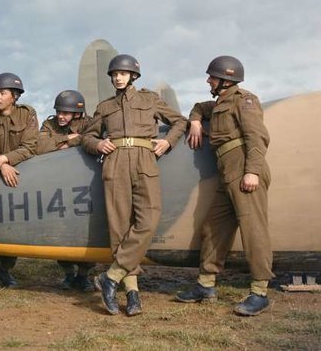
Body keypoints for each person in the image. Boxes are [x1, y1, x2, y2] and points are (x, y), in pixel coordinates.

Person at [81, 55, 187, 316]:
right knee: (120, 228)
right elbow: (88, 135)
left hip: (145, 161)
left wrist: (167, 142)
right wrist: (96, 144)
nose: (118, 77)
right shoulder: (105, 107)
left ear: (133, 76)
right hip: (115, 162)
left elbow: (179, 122)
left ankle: (112, 276)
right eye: (114, 74)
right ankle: (132, 293)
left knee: (149, 219)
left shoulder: (149, 99)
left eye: (123, 73)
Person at [175, 56, 273, 316]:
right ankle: (206, 285)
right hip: (226, 173)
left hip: (244, 169)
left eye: (212, 77)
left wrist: (252, 171)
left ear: (225, 80)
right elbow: (198, 107)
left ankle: (260, 292)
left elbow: (257, 136)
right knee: (212, 228)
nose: (209, 80)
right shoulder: (219, 104)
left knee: (253, 231)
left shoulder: (244, 100)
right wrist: (195, 120)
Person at [0, 72, 38, 289]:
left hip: (20, 176)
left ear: (14, 95)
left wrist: (5, 158)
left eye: (2, 93)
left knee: (16, 225)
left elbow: (31, 147)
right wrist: (1, 164)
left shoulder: (27, 115)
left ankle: (6, 270)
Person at [36, 89, 95, 292]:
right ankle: (68, 274)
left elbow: (92, 138)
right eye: (59, 111)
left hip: (83, 183)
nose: (61, 116)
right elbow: (40, 147)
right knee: (60, 230)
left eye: (66, 113)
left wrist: (67, 142)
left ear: (77, 113)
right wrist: (69, 138)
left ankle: (83, 275)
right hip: (57, 183)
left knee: (87, 231)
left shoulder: (89, 122)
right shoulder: (50, 124)